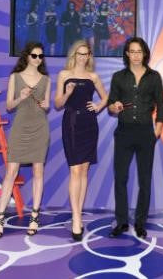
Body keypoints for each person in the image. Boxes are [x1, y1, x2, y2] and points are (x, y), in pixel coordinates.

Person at [107, 37, 163, 238]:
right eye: (132, 51)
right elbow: (111, 103)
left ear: (145, 54)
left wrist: (157, 130)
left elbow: (161, 105)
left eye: (139, 51)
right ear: (127, 54)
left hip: (146, 133)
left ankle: (141, 223)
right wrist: (114, 107)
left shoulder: (154, 77)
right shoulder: (118, 77)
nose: (136, 55)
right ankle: (122, 222)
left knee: (145, 180)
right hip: (124, 132)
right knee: (120, 178)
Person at [0, 42, 51, 238]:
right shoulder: (15, 77)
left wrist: (45, 105)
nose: (37, 59)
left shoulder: (46, 79)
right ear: (27, 56)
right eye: (34, 55)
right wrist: (21, 97)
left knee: (38, 171)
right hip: (20, 129)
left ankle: (34, 217)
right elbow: (9, 106)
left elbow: (47, 105)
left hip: (40, 129)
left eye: (40, 56)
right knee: (11, 172)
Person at [54, 40, 108, 241]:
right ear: (74, 55)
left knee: (84, 170)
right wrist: (68, 93)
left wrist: (99, 106)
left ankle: (78, 213)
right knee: (75, 170)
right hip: (71, 123)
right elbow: (57, 104)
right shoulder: (64, 75)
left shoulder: (93, 76)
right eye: (80, 53)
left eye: (86, 54)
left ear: (89, 56)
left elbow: (106, 97)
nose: (83, 57)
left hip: (89, 124)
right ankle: (76, 217)